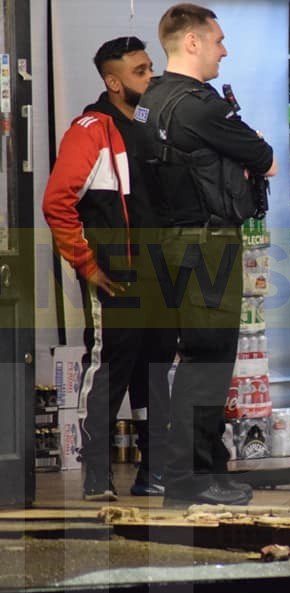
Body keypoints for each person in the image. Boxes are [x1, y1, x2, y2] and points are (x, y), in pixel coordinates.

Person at [136, 4, 277, 506]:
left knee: (190, 359)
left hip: (166, 245)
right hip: (207, 245)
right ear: (191, 42)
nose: (224, 49)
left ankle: (190, 471)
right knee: (209, 362)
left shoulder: (149, 100)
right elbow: (268, 159)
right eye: (217, 40)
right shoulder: (202, 106)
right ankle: (194, 477)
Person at [42, 37, 178, 501]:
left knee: (155, 369)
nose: (152, 75)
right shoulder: (90, 129)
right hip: (117, 273)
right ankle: (96, 476)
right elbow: (57, 203)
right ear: (113, 82)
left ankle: (153, 471)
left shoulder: (147, 121)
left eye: (150, 66)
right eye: (141, 71)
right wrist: (88, 264)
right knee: (111, 367)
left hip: (161, 270)